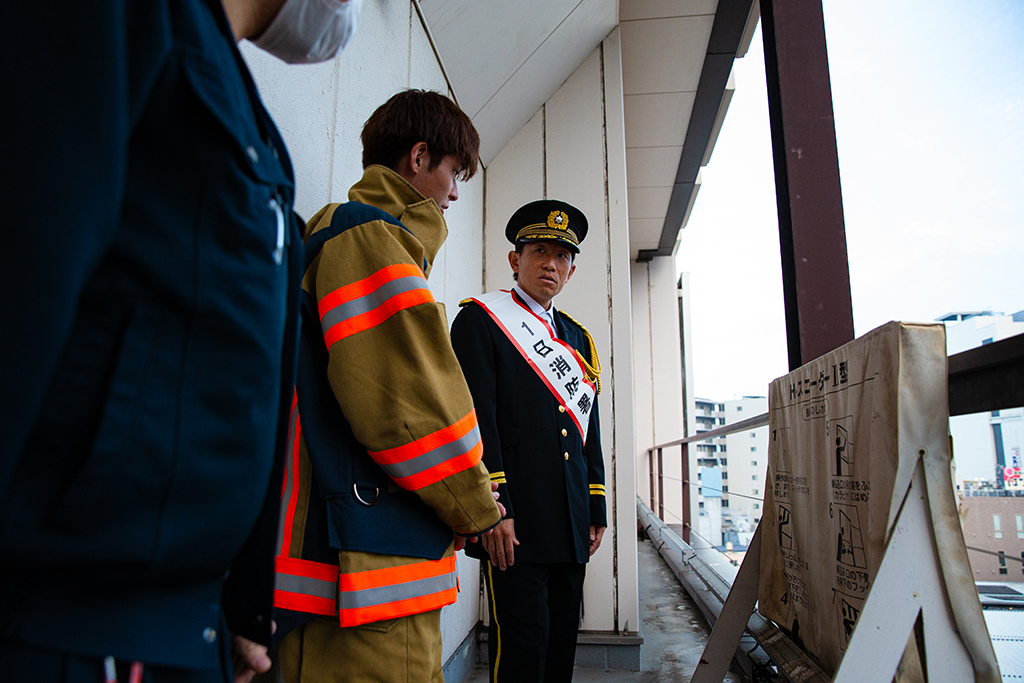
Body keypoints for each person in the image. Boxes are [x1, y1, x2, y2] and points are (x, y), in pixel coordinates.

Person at [1, 1, 360, 681]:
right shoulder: (111, 22)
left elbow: (233, 378)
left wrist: (243, 607)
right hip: (69, 623)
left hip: (186, 623)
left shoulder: (234, 94)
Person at [266, 89, 503, 683]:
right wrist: (479, 507)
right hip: (364, 578)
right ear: (418, 158)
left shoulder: (333, 232)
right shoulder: (369, 239)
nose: (454, 193)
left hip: (339, 569)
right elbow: (408, 406)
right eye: (453, 173)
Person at [450, 200, 608, 683]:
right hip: (514, 519)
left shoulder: (578, 339)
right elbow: (477, 423)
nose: (550, 264)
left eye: (561, 256)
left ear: (572, 269)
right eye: (539, 251)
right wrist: (494, 509)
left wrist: (595, 507)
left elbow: (589, 430)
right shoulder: (481, 321)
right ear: (515, 260)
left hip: (569, 517)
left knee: (560, 646)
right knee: (520, 651)